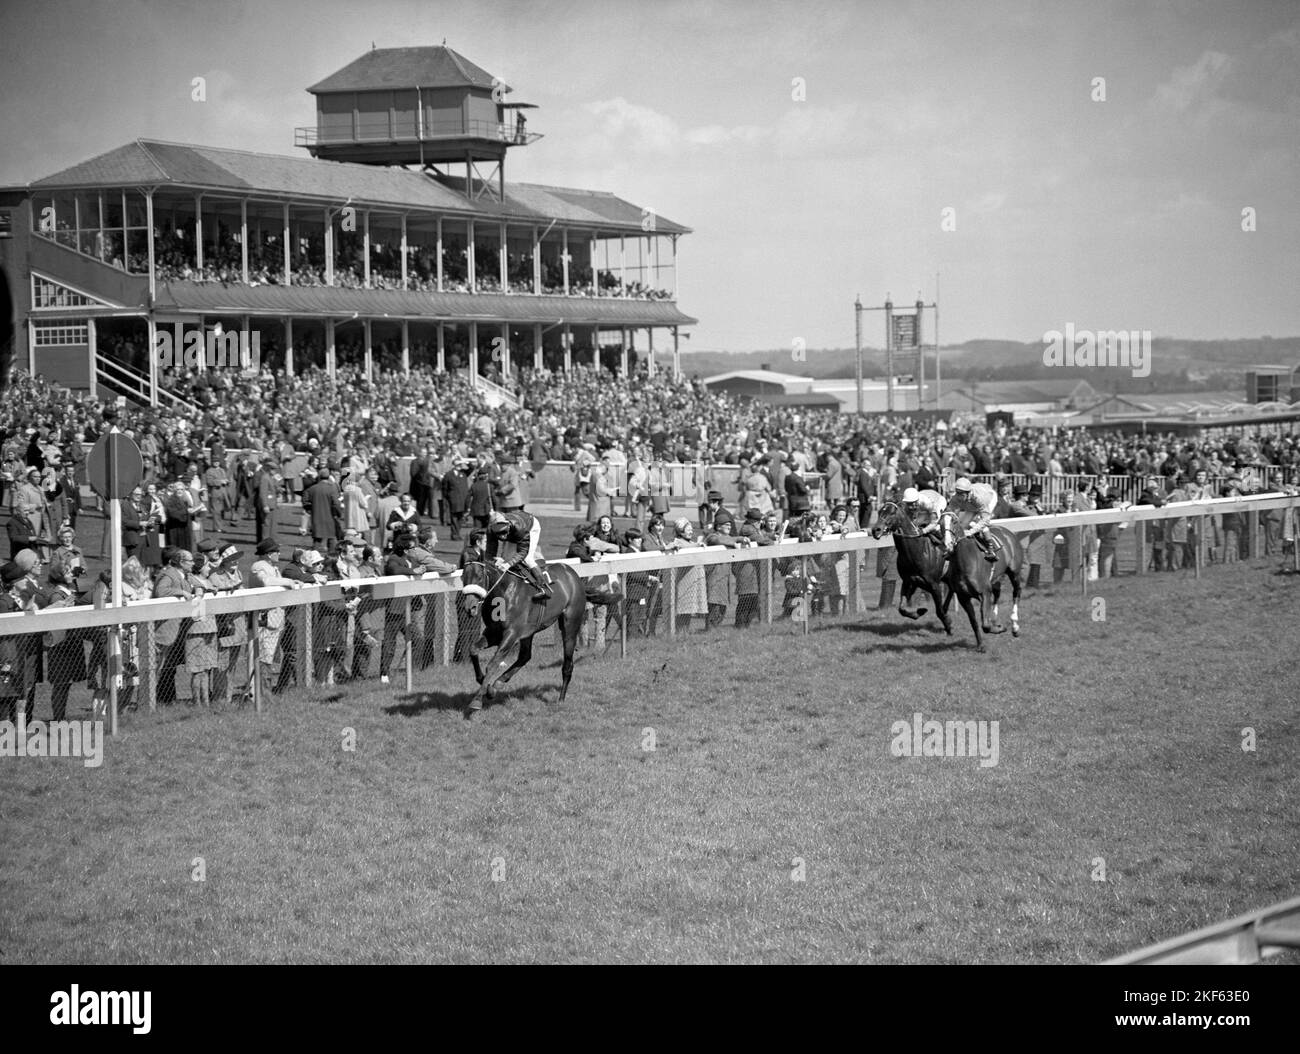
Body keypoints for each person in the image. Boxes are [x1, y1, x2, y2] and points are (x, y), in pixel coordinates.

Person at [487, 507, 551, 601]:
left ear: (507, 525)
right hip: (514, 533)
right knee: (504, 558)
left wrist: (508, 564)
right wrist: (492, 561)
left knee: (527, 559)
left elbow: (523, 552)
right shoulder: (490, 530)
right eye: (499, 534)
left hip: (530, 527)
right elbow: (490, 552)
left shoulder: (520, 527)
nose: (503, 537)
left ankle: (543, 587)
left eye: (504, 532)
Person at [946, 477, 1000, 560]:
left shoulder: (979, 498)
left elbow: (985, 519)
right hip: (971, 504)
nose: (959, 497)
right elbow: (949, 513)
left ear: (968, 493)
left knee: (979, 522)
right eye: (957, 493)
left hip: (989, 498)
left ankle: (991, 548)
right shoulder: (956, 497)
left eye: (961, 494)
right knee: (963, 525)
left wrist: (971, 531)